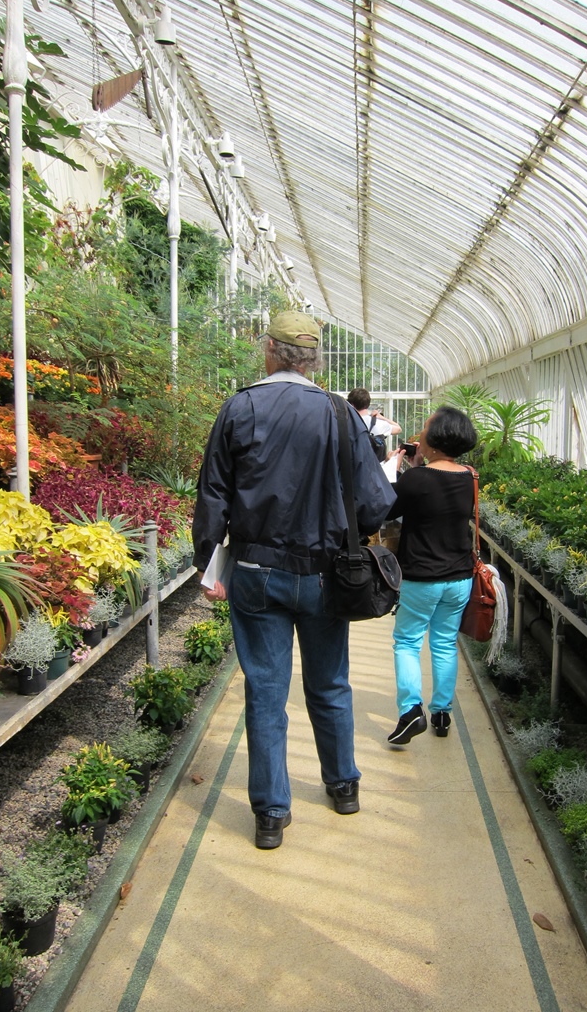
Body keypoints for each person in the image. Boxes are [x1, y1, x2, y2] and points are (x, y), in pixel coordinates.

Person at [192, 311, 396, 849]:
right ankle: (343, 785)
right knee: (330, 683)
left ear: (271, 351)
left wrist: (207, 565)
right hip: (327, 575)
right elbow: (376, 501)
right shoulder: (338, 412)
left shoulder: (240, 407)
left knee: (265, 690)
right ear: (312, 360)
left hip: (257, 575)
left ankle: (270, 815)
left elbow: (213, 496)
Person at [384, 406, 478, 744]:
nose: (419, 434)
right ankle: (442, 713)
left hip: (422, 577)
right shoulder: (470, 475)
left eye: (424, 428)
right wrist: (416, 469)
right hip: (460, 578)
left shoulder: (416, 479)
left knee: (408, 642)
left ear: (435, 439)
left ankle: (411, 711)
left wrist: (401, 472)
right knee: (443, 643)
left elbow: (388, 509)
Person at [347, 387, 402, 459]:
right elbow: (398, 429)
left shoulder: (347, 424)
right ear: (368, 404)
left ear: (352, 405)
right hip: (376, 466)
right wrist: (382, 418)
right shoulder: (379, 423)